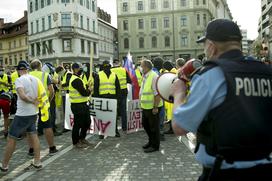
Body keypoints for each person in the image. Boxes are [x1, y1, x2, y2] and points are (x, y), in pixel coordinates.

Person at [170, 19, 272, 180]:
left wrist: (179, 93)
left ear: (211, 46)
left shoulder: (210, 75)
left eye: (205, 45)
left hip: (224, 172)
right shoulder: (266, 72)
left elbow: (179, 127)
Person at [1, 61, 42, 173]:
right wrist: (36, 102)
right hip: (33, 113)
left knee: (11, 138)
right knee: (34, 135)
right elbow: (42, 94)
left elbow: (23, 96)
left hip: (22, 114)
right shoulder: (36, 79)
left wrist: (32, 101)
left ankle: (4, 165)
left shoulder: (19, 80)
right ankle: (37, 162)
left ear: (19, 71)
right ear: (27, 69)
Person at [29, 59, 58, 156]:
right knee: (47, 127)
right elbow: (52, 91)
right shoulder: (45, 75)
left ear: (31, 67)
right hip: (43, 105)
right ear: (40, 67)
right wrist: (48, 101)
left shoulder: (26, 76)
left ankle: (31, 150)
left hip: (31, 105)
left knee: (31, 127)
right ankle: (52, 148)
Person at [140, 59, 163, 153]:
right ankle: (151, 141)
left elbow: (157, 94)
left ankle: (155, 145)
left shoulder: (153, 76)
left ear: (146, 67)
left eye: (141, 66)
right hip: (145, 106)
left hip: (152, 107)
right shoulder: (145, 76)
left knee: (154, 127)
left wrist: (155, 107)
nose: (140, 67)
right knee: (146, 125)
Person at [93, 60, 121, 139]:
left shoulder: (114, 75)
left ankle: (115, 131)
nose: (107, 68)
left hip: (112, 97)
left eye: (108, 67)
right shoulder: (99, 75)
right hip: (102, 97)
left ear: (110, 67)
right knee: (102, 115)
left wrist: (118, 99)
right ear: (103, 67)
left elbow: (118, 88)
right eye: (106, 67)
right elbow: (96, 88)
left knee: (113, 115)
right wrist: (96, 99)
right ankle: (102, 132)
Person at [69, 62, 92, 148]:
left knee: (87, 122)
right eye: (80, 68)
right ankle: (76, 142)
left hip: (83, 104)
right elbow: (84, 93)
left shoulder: (79, 78)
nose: (81, 70)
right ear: (75, 69)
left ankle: (82, 138)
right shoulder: (75, 80)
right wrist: (89, 90)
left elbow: (83, 88)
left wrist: (87, 86)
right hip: (77, 105)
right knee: (78, 124)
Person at [111, 59, 132, 131]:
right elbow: (129, 81)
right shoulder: (124, 70)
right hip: (123, 92)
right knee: (123, 110)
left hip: (115, 93)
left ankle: (114, 128)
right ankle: (124, 127)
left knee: (114, 111)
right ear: (119, 63)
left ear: (113, 64)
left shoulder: (111, 71)